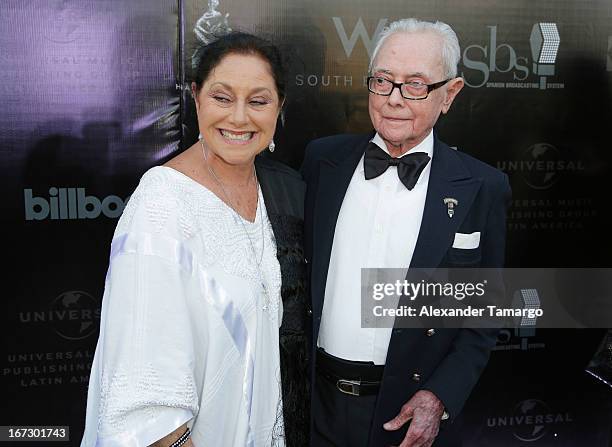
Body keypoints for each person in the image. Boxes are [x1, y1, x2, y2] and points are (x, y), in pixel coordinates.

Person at [81, 32, 309, 447]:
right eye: (222, 97)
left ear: (279, 108)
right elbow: (143, 394)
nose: (239, 118)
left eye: (258, 101)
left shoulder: (277, 191)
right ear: (196, 96)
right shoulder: (161, 202)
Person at [301, 18, 511, 447]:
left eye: (416, 85)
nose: (394, 100)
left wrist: (439, 395)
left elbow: (483, 314)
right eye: (383, 81)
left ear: (449, 95)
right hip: (311, 403)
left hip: (405, 414)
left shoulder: (482, 188)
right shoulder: (322, 162)